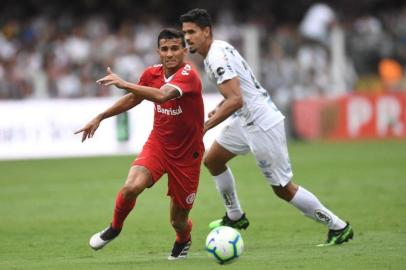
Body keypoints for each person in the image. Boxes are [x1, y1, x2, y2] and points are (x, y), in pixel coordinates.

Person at [180, 9, 353, 246]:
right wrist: (222, 103)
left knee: (283, 188)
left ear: (206, 31)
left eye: (192, 32)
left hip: (261, 123)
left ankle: (338, 226)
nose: (187, 38)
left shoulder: (216, 57)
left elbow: (236, 99)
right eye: (185, 33)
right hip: (245, 119)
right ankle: (235, 217)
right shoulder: (218, 48)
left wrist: (206, 126)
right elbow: (241, 89)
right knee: (213, 160)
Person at [75, 28, 204, 259]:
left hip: (187, 155)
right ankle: (114, 228)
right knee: (131, 186)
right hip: (159, 144)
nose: (170, 53)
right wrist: (100, 117)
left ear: (184, 51)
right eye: (165, 49)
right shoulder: (151, 73)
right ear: (158, 52)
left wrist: (124, 83)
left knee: (178, 220)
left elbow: (162, 96)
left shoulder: (189, 75)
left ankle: (183, 239)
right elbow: (136, 98)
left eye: (175, 48)